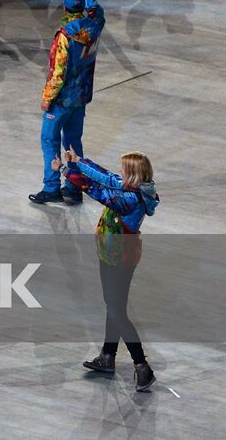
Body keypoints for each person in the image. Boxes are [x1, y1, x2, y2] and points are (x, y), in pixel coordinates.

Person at [64, 148, 160, 392]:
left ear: (133, 174)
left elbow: (99, 192)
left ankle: (142, 366)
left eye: (124, 169)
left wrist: (67, 172)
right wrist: (78, 162)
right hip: (112, 252)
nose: (119, 172)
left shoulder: (131, 199)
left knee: (117, 310)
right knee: (113, 306)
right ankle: (107, 356)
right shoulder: (131, 187)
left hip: (120, 257)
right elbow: (105, 177)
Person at [29, 0, 103, 204]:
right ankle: (73, 185)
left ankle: (52, 187)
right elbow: (97, 9)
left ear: (65, 10)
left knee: (49, 140)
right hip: (81, 96)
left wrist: (46, 98)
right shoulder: (94, 24)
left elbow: (57, 73)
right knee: (73, 141)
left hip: (61, 100)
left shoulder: (64, 37)